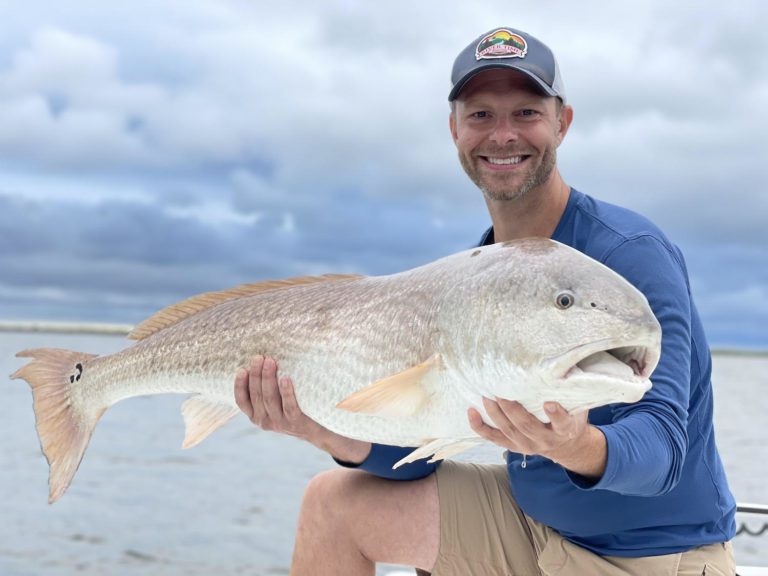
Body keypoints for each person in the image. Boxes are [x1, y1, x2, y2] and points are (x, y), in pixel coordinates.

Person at [233, 26, 737, 575]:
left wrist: (576, 444)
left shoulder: (631, 253)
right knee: (332, 503)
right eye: (480, 115)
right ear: (454, 130)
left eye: (526, 113)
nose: (502, 135)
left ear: (562, 123)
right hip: (536, 525)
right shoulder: (482, 271)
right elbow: (417, 455)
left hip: (647, 553)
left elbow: (662, 449)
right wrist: (320, 428)